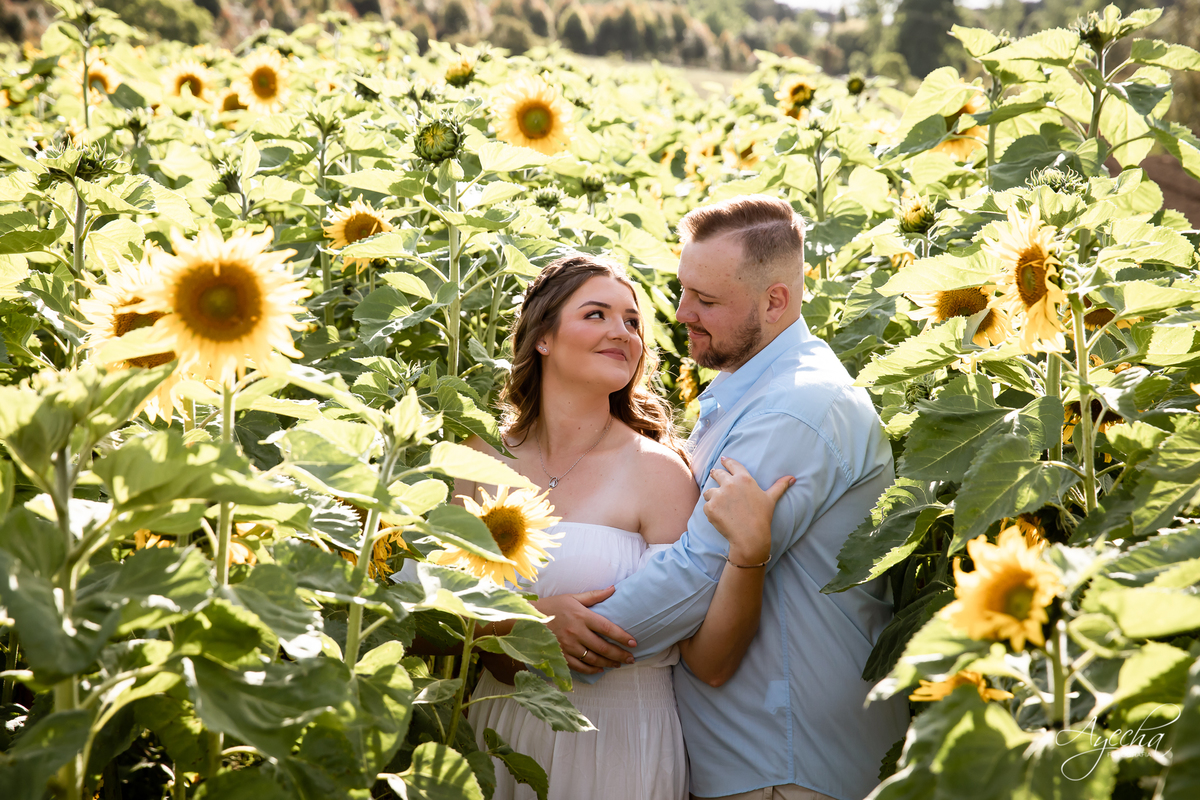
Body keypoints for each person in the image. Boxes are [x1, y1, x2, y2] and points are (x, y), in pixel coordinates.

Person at [536, 195, 910, 800]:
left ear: (775, 301)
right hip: (745, 752)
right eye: (684, 290)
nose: (682, 312)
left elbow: (696, 574)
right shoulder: (744, 395)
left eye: (707, 300)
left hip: (785, 757)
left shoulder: (798, 407)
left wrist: (535, 638)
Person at [451, 253, 793, 800]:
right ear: (542, 337)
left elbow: (709, 660)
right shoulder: (477, 459)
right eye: (596, 315)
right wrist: (526, 625)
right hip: (499, 729)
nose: (623, 333)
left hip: (621, 743)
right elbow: (427, 624)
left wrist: (749, 553)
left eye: (632, 321)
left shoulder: (658, 471)